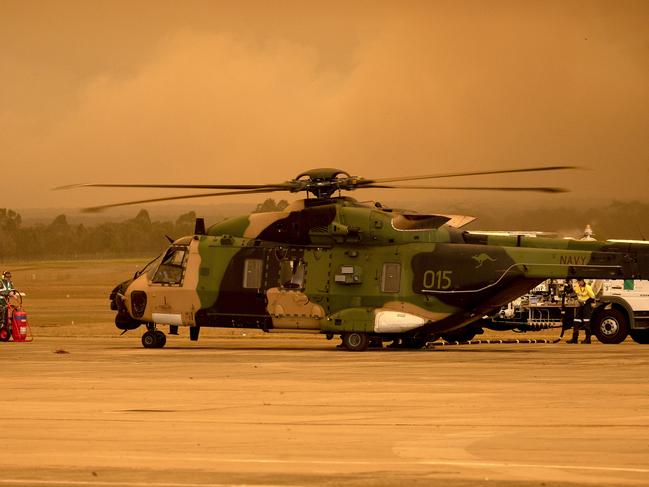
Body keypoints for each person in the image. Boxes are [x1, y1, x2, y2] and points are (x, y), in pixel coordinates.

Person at [567, 278, 596, 344]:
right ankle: (574, 339)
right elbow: (574, 293)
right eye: (578, 282)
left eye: (580, 281)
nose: (579, 283)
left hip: (586, 306)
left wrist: (585, 302)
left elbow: (592, 297)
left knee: (586, 322)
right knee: (576, 321)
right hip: (580, 305)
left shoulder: (588, 287)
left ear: (583, 281)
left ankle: (588, 339)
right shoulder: (577, 287)